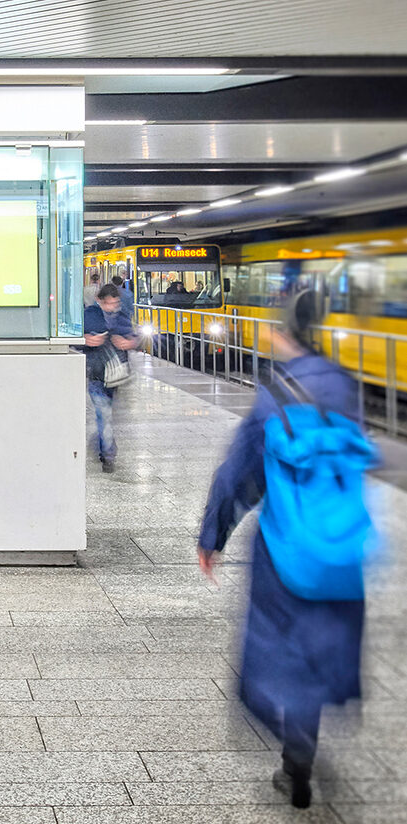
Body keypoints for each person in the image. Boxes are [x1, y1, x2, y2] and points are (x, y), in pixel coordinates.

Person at [196, 290, 371, 810]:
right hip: (341, 546)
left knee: (276, 649)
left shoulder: (275, 392)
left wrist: (213, 536)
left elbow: (239, 474)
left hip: (283, 548)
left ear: (283, 334)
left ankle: (289, 747)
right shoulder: (345, 384)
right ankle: (302, 755)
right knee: (321, 649)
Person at [84, 283, 138, 472]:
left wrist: (129, 342)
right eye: (108, 303)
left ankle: (102, 445)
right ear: (99, 301)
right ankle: (108, 455)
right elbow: (77, 340)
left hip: (116, 376)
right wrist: (86, 341)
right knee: (104, 415)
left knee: (106, 416)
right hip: (97, 373)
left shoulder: (122, 316)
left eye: (115, 303)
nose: (112, 307)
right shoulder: (89, 314)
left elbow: (134, 337)